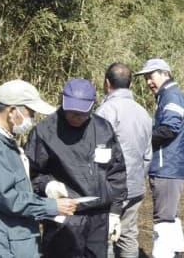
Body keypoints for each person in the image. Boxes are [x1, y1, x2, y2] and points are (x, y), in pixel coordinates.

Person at [26, 78, 127, 258]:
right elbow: (31, 174)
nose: (76, 117)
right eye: (71, 111)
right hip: (64, 218)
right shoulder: (45, 131)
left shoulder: (103, 129)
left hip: (99, 217)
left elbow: (116, 173)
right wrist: (47, 185)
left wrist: (114, 213)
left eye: (81, 113)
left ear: (91, 107)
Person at [0, 80, 78, 258]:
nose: (32, 119)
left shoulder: (6, 140)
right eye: (30, 113)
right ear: (12, 111)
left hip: (17, 238)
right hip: (7, 244)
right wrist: (51, 206)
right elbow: (8, 198)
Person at [135, 58, 184, 258]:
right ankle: (177, 253)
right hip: (170, 166)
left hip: (167, 167)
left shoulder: (172, 96)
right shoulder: (166, 96)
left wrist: (141, 137)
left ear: (165, 73)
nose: (148, 82)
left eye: (151, 76)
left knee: (163, 221)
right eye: (146, 78)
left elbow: (169, 128)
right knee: (170, 217)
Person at [97, 63, 153, 258]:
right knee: (128, 235)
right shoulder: (143, 113)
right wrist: (136, 176)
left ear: (106, 83)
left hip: (110, 188)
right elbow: (148, 155)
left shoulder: (106, 111)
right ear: (130, 84)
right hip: (135, 185)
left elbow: (96, 152)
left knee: (105, 235)